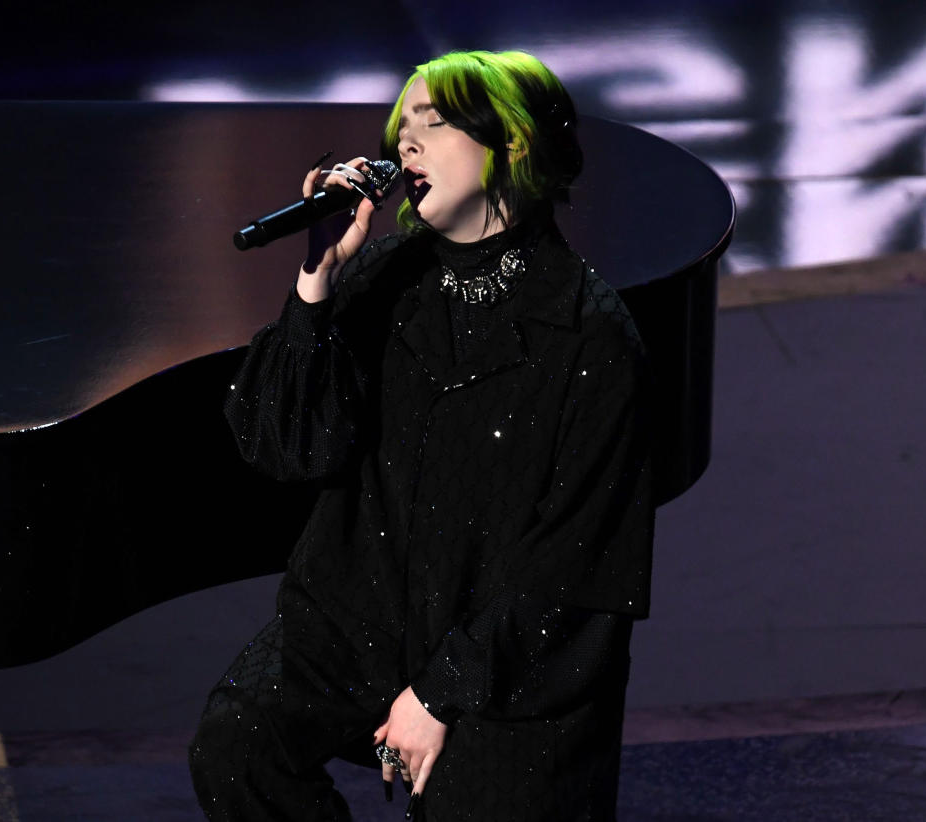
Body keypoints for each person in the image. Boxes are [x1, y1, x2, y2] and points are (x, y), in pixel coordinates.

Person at [188, 49, 657, 821]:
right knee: (238, 744)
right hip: (356, 625)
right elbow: (287, 446)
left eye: (433, 125)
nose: (405, 143)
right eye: (401, 127)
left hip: (507, 660)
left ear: (511, 145)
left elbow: (575, 566)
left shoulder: (590, 336)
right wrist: (317, 281)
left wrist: (439, 694)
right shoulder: (381, 279)